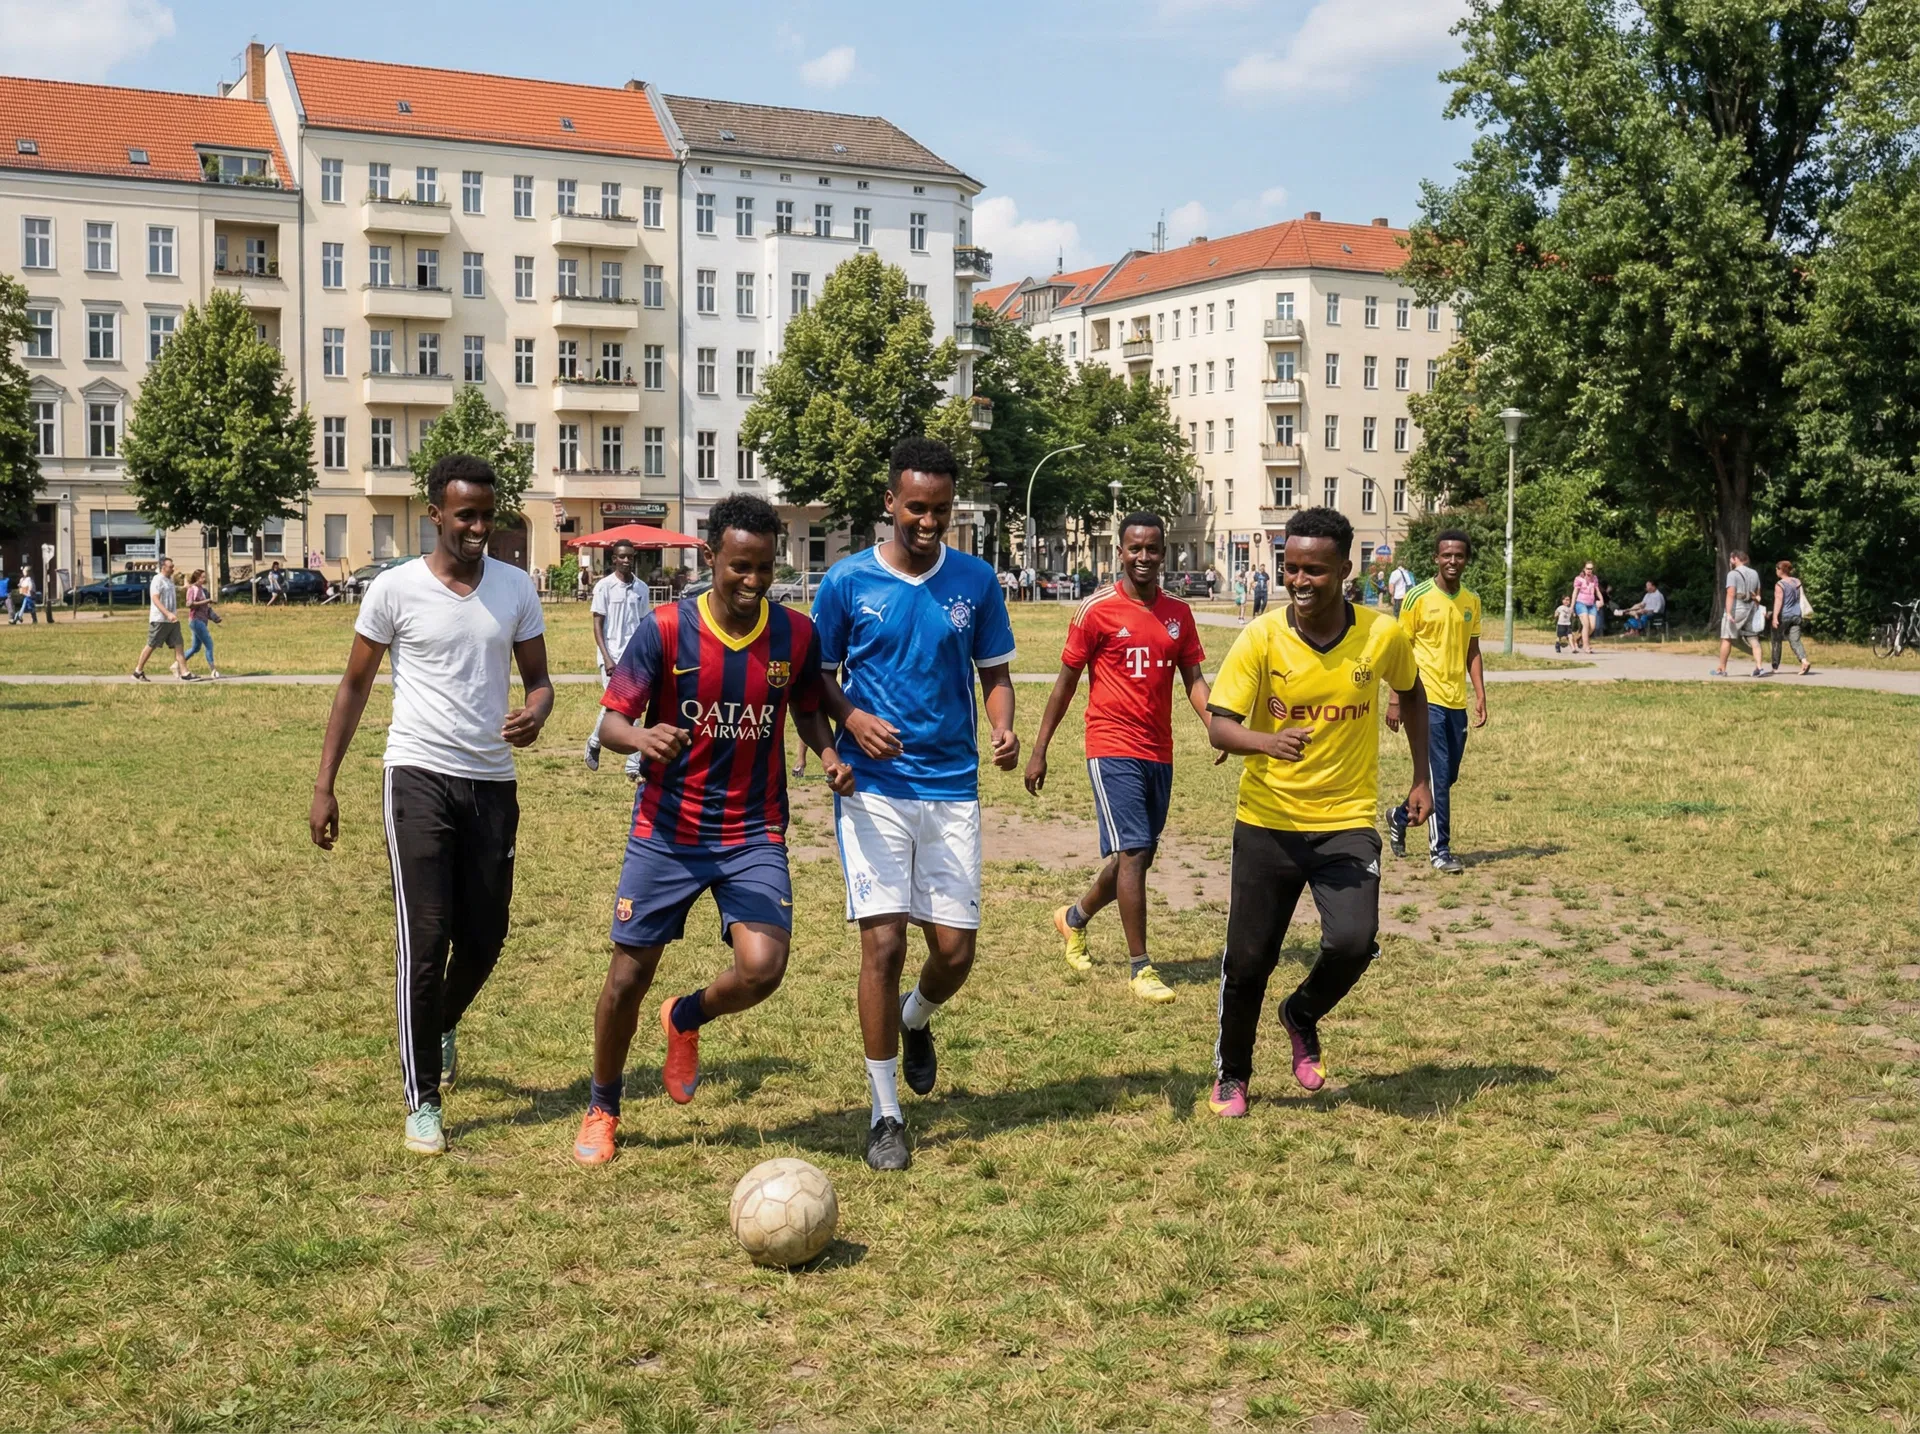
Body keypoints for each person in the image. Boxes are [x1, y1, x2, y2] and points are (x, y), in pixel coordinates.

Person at [571, 496, 855, 1166]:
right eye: (739, 568)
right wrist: (642, 735)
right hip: (667, 832)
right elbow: (610, 724)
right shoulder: (666, 630)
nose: (752, 582)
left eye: (763, 568)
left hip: (752, 831)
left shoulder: (794, 635)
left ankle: (687, 1016)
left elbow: (810, 709)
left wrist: (832, 754)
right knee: (625, 979)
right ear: (710, 559)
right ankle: (602, 1105)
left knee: (763, 969)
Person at [308, 454, 552, 1157]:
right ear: (436, 515)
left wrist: (536, 712)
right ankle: (423, 1101)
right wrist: (326, 784)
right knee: (427, 939)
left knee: (487, 936)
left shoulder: (514, 589)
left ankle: (441, 1022)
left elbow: (539, 681)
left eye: (487, 513)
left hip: (492, 782)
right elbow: (354, 686)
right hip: (416, 776)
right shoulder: (394, 590)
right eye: (465, 514)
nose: (478, 526)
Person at [810, 435, 1019, 1172]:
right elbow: (818, 678)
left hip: (951, 785)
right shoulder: (845, 583)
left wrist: (1002, 725)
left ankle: (916, 1018)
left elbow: (993, 672)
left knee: (954, 953)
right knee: (884, 945)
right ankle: (885, 1113)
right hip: (873, 791)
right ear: (890, 503)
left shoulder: (976, 581)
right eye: (915, 509)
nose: (927, 523)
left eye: (939, 510)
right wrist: (852, 720)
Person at [1204, 507, 1432, 1118]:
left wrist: (1421, 778)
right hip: (1268, 821)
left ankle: (1301, 1013)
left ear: (1345, 571)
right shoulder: (1262, 636)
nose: (1300, 582)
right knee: (1249, 959)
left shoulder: (1381, 635)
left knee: (1355, 942)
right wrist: (1265, 742)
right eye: (1291, 568)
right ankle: (1233, 1073)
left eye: (1314, 571)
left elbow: (1411, 692)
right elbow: (1219, 727)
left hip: (1347, 820)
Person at [1025, 513, 1212, 1005]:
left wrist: (1218, 727)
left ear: (1164, 553)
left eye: (1153, 549)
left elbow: (1194, 681)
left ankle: (1074, 917)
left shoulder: (1179, 614)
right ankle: (1141, 966)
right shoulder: (1096, 610)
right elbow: (1065, 684)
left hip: (1160, 750)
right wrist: (1040, 750)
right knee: (1132, 851)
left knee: (1140, 853)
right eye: (1135, 549)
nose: (1144, 557)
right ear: (1120, 552)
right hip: (1111, 746)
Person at [1386, 530, 1486, 875]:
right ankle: (1440, 851)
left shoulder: (1471, 601)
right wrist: (1395, 700)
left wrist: (1480, 693)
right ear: (1436, 559)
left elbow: (1472, 650)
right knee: (1439, 777)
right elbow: (1400, 651)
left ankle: (1399, 816)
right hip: (1423, 700)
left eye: (1459, 556)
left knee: (1447, 776)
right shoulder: (1417, 597)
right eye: (1446, 555)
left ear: (1466, 560)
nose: (1452, 561)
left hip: (1456, 701)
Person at [584, 538, 651, 781]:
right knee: (616, 706)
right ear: (614, 559)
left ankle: (601, 745)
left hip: (635, 658)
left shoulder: (642, 588)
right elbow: (597, 624)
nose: (626, 560)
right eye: (621, 556)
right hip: (611, 657)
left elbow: (645, 624)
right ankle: (629, 764)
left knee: (635, 708)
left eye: (630, 556)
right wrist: (607, 657)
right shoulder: (604, 587)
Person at [132, 557, 194, 682]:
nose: (173, 569)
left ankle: (184, 672)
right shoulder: (157, 580)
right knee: (151, 645)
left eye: (173, 566)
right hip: (160, 619)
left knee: (179, 644)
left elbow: (172, 591)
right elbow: (155, 599)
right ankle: (138, 671)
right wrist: (167, 613)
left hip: (172, 620)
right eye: (170, 566)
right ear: (163, 567)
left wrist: (184, 587)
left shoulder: (169, 580)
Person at [1713, 550, 1768, 678]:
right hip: (1751, 608)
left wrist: (1728, 612)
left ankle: (1722, 668)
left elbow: (1731, 593)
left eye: (1731, 559)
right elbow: (1758, 593)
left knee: (1727, 637)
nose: (1730, 561)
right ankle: (1759, 668)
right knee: (1753, 638)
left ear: (1735, 558)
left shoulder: (1733, 574)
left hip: (1738, 607)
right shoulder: (1754, 573)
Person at [1771, 560, 1812, 676]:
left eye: (1777, 568)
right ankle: (1804, 661)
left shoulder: (1780, 585)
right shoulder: (1797, 581)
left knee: (1776, 639)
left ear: (1781, 570)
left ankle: (1775, 667)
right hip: (1797, 615)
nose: (1776, 571)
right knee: (1795, 640)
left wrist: (1775, 617)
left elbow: (1778, 601)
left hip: (1785, 615)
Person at [181, 569, 219, 677]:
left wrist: (214, 617)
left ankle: (177, 664)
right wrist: (207, 601)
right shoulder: (192, 589)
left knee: (196, 647)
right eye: (202, 577)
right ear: (197, 578)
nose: (204, 579)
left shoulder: (202, 589)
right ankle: (213, 670)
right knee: (209, 644)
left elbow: (205, 607)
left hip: (202, 620)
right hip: (196, 620)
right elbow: (189, 604)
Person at [1571, 562, 1601, 653]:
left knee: (1592, 627)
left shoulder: (1594, 578)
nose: (1589, 570)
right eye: (1587, 568)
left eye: (1591, 569)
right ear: (1584, 569)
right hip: (1581, 603)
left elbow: (1597, 591)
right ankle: (1586, 646)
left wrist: (1601, 600)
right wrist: (1572, 607)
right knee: (1586, 625)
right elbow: (1575, 592)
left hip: (1591, 605)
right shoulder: (1579, 579)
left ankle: (1578, 639)